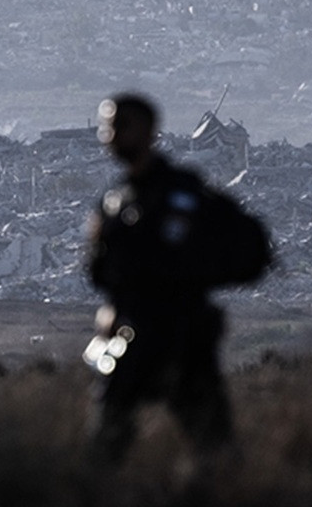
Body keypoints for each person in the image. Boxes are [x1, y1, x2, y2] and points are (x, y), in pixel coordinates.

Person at [83, 92, 265, 465]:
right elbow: (103, 271)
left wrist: (189, 281)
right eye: (106, 127)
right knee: (106, 440)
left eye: (119, 126)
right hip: (129, 334)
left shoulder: (182, 194)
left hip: (181, 336)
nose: (110, 136)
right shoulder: (117, 201)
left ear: (148, 131)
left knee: (212, 444)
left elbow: (247, 248)